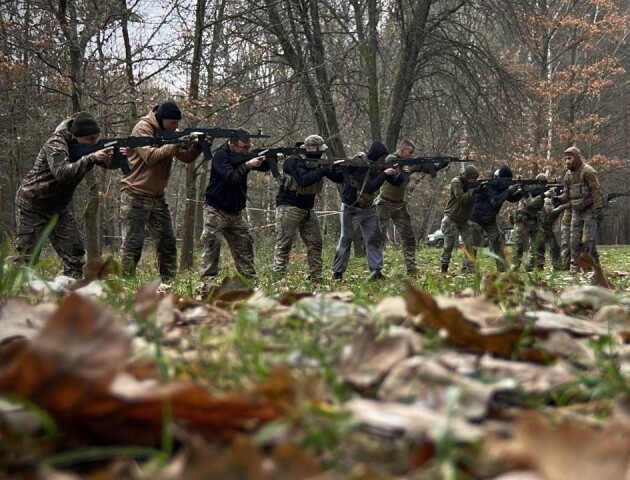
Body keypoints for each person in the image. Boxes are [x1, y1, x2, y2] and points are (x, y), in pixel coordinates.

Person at [15, 112, 119, 278]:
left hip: (59, 208)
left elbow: (108, 164)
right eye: (91, 139)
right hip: (33, 205)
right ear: (78, 136)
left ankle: (71, 294)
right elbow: (62, 174)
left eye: (97, 138)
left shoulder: (87, 146)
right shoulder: (56, 143)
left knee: (75, 255)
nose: (95, 143)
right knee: (27, 257)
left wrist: (117, 157)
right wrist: (91, 157)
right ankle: (20, 297)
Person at [120, 101, 202, 282]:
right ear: (162, 119)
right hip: (135, 194)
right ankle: (125, 284)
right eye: (173, 123)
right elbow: (150, 157)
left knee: (168, 242)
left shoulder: (170, 134)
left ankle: (168, 283)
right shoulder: (142, 129)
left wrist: (199, 145)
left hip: (157, 196)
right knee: (133, 244)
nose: (176, 127)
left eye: (177, 123)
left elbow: (187, 158)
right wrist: (175, 144)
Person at [199, 129, 269, 281]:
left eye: (248, 147)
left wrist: (271, 158)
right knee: (212, 245)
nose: (246, 150)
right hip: (216, 210)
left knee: (245, 245)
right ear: (232, 145)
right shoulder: (220, 157)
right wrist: (248, 165)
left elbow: (264, 166)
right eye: (243, 147)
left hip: (236, 212)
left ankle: (249, 281)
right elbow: (232, 177)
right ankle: (207, 283)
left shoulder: (243, 157)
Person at [271, 135, 342, 283]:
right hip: (289, 207)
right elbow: (304, 180)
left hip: (308, 209)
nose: (321, 154)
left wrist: (342, 170)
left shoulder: (318, 161)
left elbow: (337, 178)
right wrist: (323, 170)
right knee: (284, 244)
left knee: (316, 243)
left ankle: (316, 277)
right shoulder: (293, 160)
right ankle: (277, 278)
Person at [332, 140, 403, 281]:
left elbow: (396, 182)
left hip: (368, 209)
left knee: (374, 238)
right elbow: (370, 187)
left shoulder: (378, 166)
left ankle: (376, 271)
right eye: (383, 157)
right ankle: (337, 273)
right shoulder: (360, 165)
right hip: (351, 208)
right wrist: (384, 174)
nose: (384, 159)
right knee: (346, 239)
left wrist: (402, 173)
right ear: (377, 155)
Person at [375, 139, 448, 276]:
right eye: (410, 152)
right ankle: (376, 270)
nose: (412, 155)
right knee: (378, 237)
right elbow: (393, 173)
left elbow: (424, 168)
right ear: (402, 150)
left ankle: (412, 269)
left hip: (400, 204)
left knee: (408, 237)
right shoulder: (392, 158)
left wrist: (439, 166)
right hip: (384, 203)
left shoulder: (408, 162)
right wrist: (405, 169)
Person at [556, 146, 603, 270]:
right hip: (576, 211)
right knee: (574, 242)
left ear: (576, 158)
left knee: (587, 241)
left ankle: (593, 265)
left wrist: (598, 210)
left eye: (569, 158)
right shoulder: (568, 175)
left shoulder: (588, 172)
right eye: (565, 159)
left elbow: (596, 191)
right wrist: (558, 198)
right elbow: (567, 194)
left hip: (589, 210)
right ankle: (574, 267)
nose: (567, 161)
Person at [470, 166, 524, 272]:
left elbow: (511, 199)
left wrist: (521, 191)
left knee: (498, 242)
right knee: (473, 243)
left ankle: (502, 267)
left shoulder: (501, 185)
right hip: (476, 218)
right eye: (506, 180)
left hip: (489, 219)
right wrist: (508, 190)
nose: (507, 182)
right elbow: (495, 201)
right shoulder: (488, 185)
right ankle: (468, 267)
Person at [440, 165, 479, 274]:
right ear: (466, 176)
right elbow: (462, 199)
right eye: (472, 178)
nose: (474, 180)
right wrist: (473, 190)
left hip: (463, 220)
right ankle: (444, 267)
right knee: (449, 245)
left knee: (469, 244)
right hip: (451, 218)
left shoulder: (472, 186)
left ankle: (469, 269)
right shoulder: (456, 182)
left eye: (476, 178)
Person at [511, 173, 546, 271]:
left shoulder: (539, 192)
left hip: (534, 221)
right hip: (523, 221)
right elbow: (530, 203)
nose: (542, 186)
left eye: (544, 184)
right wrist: (542, 195)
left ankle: (537, 265)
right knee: (519, 245)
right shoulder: (528, 190)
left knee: (539, 243)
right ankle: (514, 266)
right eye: (541, 183)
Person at [541, 184, 570, 270]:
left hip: (547, 227)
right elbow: (551, 212)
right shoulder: (546, 200)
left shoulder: (552, 200)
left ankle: (557, 267)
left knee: (554, 248)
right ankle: (534, 267)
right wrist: (564, 206)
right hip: (542, 227)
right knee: (540, 249)